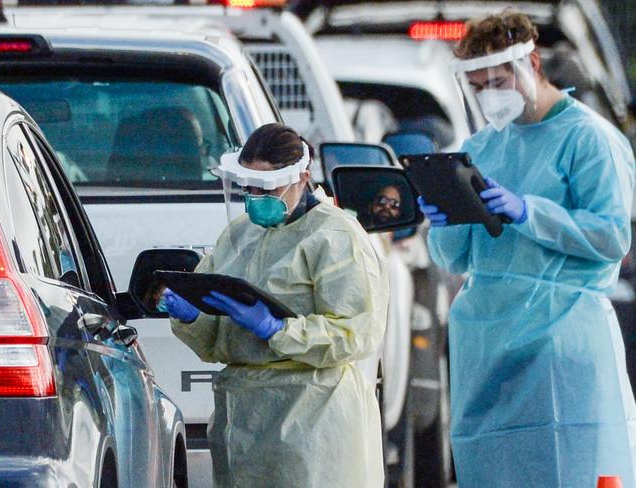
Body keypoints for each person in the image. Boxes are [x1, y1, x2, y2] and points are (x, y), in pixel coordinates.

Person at [418, 11, 636, 488]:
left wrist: (529, 212)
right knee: (495, 472)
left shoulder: (589, 140)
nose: (489, 94)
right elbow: (457, 259)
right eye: (478, 86)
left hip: (562, 339)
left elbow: (613, 237)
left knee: (570, 470)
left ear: (532, 63)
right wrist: (446, 219)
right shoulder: (482, 146)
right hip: (490, 346)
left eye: (498, 80)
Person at [160, 123, 388, 488]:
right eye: (249, 187)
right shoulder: (239, 233)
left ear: (303, 177)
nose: (255, 196)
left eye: (267, 187)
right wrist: (193, 317)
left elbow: (355, 332)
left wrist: (280, 331)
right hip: (243, 416)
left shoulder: (335, 236)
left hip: (313, 417)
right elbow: (216, 336)